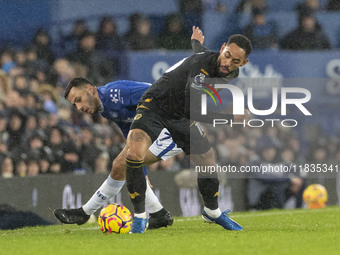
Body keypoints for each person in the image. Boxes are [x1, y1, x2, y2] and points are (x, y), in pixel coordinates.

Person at [125, 26, 251, 233]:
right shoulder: (202, 70)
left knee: (208, 161)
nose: (228, 63)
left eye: (235, 61)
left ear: (243, 62)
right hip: (155, 105)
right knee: (134, 153)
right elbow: (192, 110)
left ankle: (212, 212)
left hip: (181, 115)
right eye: (227, 55)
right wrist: (231, 118)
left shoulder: (224, 67)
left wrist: (196, 41)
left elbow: (200, 51)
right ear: (222, 48)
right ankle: (139, 218)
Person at [53, 78, 184, 229]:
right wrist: (143, 171)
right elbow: (129, 132)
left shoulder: (114, 94)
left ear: (90, 89)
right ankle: (158, 214)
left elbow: (157, 92)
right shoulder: (105, 108)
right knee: (123, 165)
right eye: (75, 104)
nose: (79, 107)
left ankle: (84, 212)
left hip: (175, 125)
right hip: (158, 129)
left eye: (79, 100)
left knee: (122, 164)